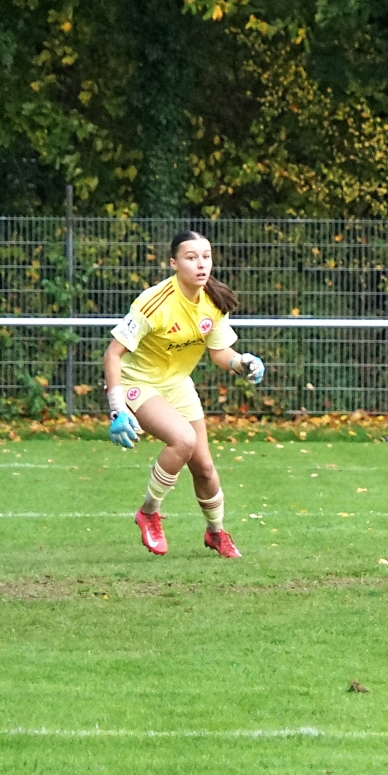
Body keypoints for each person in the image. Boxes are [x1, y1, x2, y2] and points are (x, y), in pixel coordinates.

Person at [104, 230, 266, 558]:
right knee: (183, 440)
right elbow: (112, 354)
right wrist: (117, 409)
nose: (201, 264)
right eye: (191, 258)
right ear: (174, 263)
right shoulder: (153, 302)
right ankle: (148, 513)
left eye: (206, 256)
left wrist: (242, 362)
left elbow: (220, 352)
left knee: (204, 468)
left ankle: (216, 533)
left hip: (177, 384)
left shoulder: (213, 301)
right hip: (140, 382)